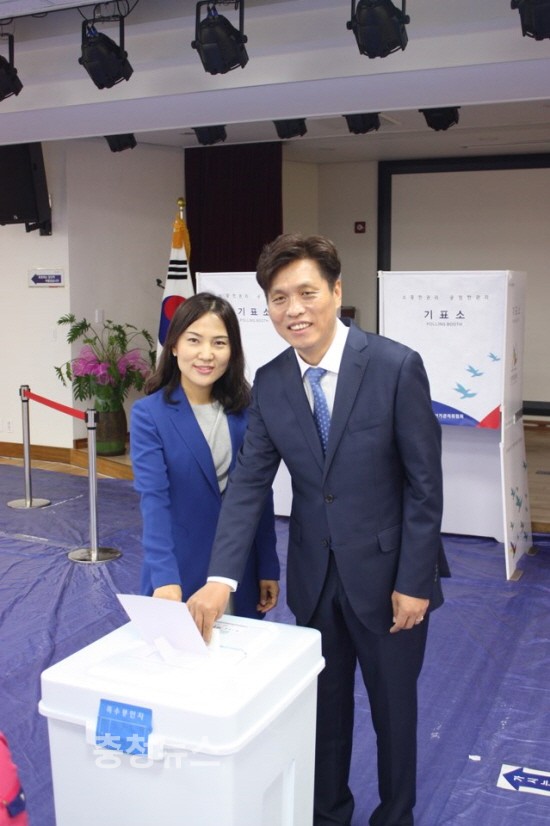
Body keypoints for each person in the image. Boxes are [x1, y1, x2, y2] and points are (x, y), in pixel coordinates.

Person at [187, 235, 450, 826]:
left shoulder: (395, 366)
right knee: (322, 714)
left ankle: (395, 816)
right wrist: (221, 578)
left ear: (335, 291)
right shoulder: (272, 382)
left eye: (307, 293)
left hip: (390, 580)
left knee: (394, 714)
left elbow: (424, 486)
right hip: (315, 578)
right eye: (279, 298)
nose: (294, 310)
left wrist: (415, 580)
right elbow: (249, 485)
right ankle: (328, 815)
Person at [130, 292, 280, 618]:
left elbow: (259, 494)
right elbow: (154, 500)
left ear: (232, 350)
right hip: (179, 570)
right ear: (174, 346)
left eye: (219, 343)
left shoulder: (246, 411)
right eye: (194, 340)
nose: (206, 354)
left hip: (240, 571)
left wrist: (268, 563)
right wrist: (165, 577)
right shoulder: (149, 415)